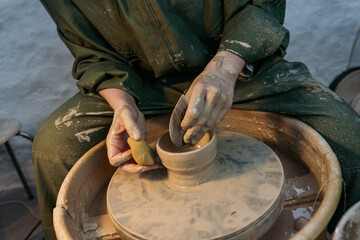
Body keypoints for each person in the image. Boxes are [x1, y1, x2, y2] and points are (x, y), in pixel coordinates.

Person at [34, 0, 360, 239]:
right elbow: (92, 53)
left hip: (239, 67)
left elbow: (260, 5)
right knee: (53, 147)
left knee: (347, 134)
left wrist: (224, 68)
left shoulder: (231, 63)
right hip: (143, 84)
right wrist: (121, 103)